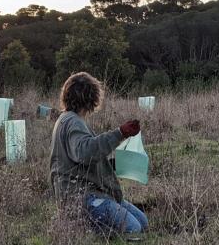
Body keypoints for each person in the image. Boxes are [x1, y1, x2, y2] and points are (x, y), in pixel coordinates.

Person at [49, 72, 148, 235]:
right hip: (81, 198)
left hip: (93, 193)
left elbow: (82, 161)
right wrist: (120, 133)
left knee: (142, 222)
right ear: (92, 97)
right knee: (133, 229)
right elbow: (85, 153)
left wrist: (114, 164)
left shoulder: (69, 119)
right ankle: (80, 229)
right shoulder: (73, 122)